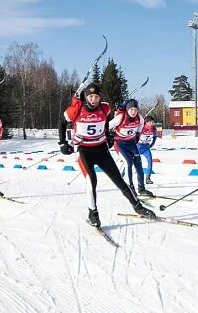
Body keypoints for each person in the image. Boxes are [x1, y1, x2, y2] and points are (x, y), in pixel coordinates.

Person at [59, 83, 156, 227]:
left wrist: (108, 136)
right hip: (84, 150)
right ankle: (93, 213)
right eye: (91, 96)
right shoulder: (77, 109)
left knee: (119, 180)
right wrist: (62, 142)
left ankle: (138, 207)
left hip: (101, 149)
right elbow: (62, 122)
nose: (93, 99)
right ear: (86, 97)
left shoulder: (105, 108)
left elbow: (105, 124)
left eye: (96, 96)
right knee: (91, 180)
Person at [110, 98, 152, 197]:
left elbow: (141, 126)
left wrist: (137, 134)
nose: (133, 112)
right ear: (127, 109)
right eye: (131, 110)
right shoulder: (120, 117)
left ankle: (141, 189)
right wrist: (110, 134)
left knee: (139, 165)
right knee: (128, 163)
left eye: (135, 110)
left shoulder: (139, 118)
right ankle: (131, 189)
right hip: (120, 144)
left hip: (131, 144)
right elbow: (105, 126)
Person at [138, 118, 158, 184]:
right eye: (150, 122)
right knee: (130, 162)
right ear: (146, 122)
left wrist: (151, 144)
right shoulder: (142, 127)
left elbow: (155, 137)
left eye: (153, 122)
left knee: (150, 162)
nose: (152, 124)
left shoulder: (154, 129)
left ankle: (148, 178)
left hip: (146, 147)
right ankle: (122, 175)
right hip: (138, 146)